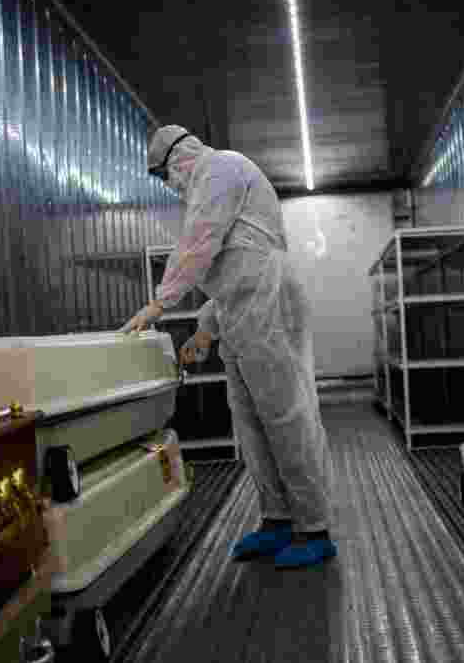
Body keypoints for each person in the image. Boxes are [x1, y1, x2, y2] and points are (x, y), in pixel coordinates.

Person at [121, 125, 336, 569]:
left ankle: (314, 526)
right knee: (251, 419)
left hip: (267, 304)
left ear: (177, 158)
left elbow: (201, 244)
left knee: (284, 413)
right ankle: (277, 518)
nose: (169, 185)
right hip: (243, 310)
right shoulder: (208, 182)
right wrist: (205, 331)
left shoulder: (219, 169)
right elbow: (230, 279)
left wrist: (160, 303)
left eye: (164, 176)